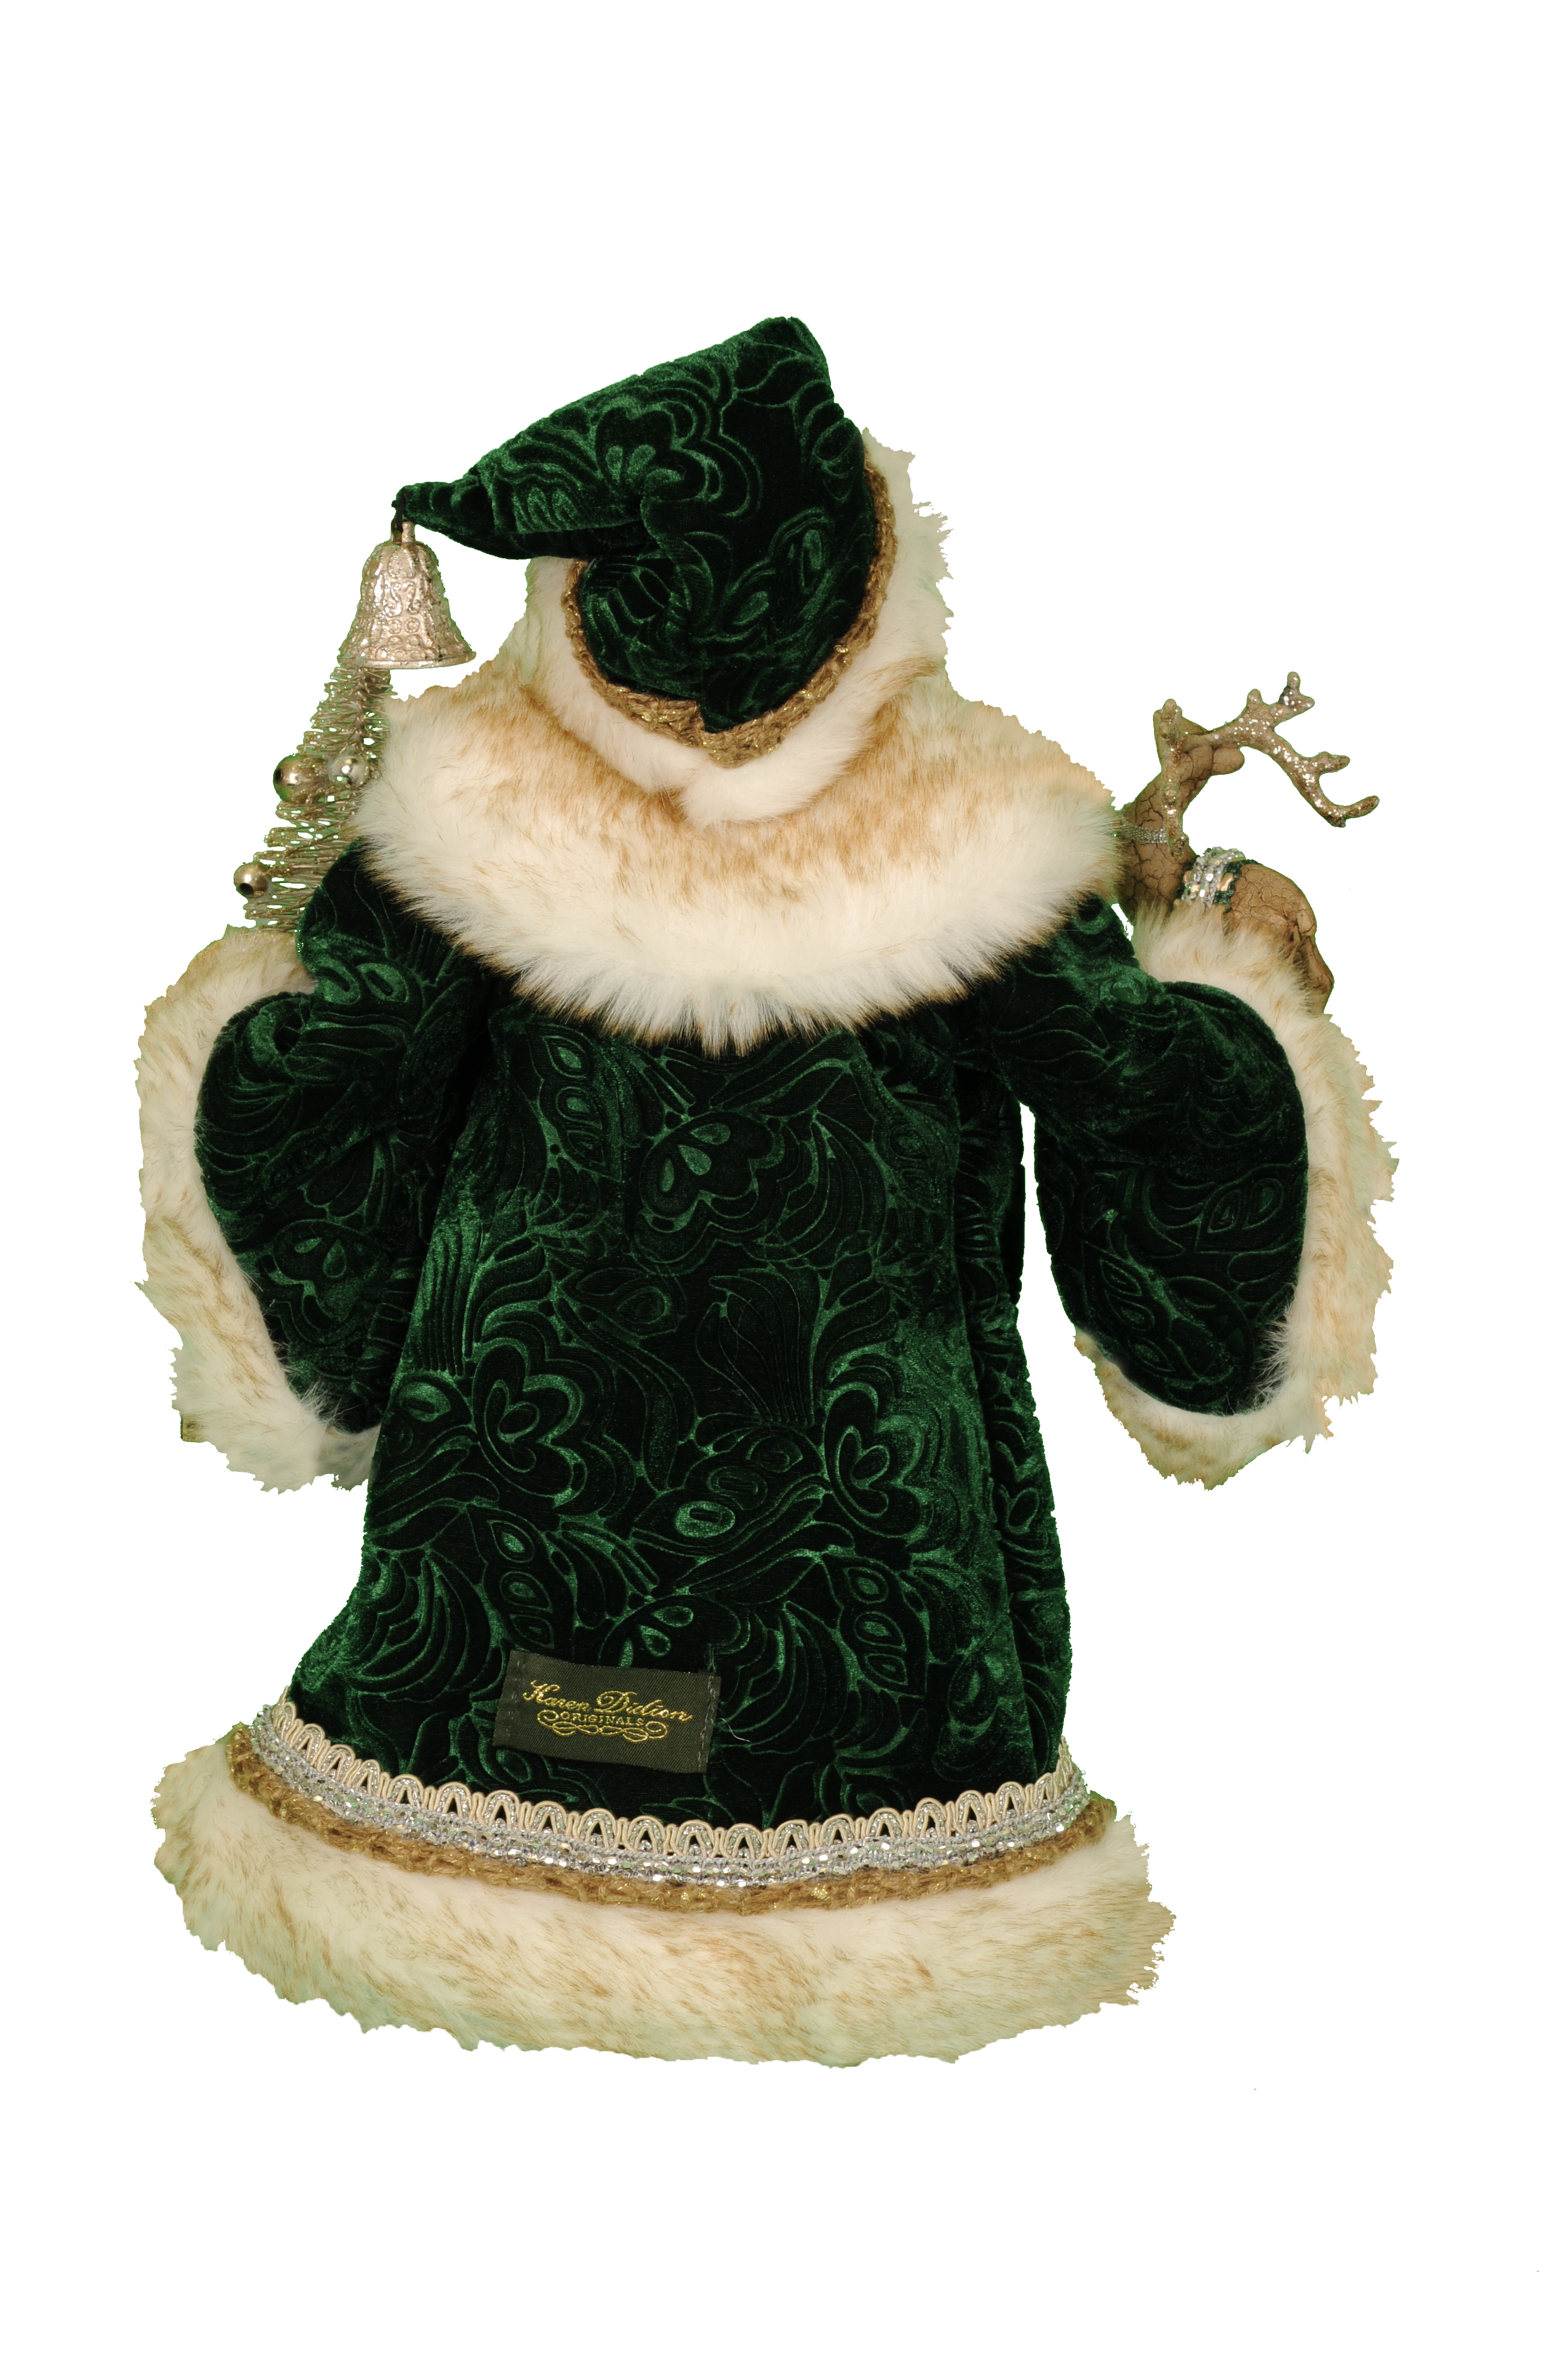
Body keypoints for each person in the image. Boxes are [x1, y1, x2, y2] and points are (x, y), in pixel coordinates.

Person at [142, 316, 1391, 2063]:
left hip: (499, 1573)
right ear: (874, 583)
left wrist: (260, 1033)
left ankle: (515, 1800)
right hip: (891, 1618)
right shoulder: (991, 827)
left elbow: (312, 1101)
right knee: (895, 1724)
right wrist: (1220, 954)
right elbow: (1164, 1115)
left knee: (486, 1692)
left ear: (577, 603)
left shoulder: (455, 812)